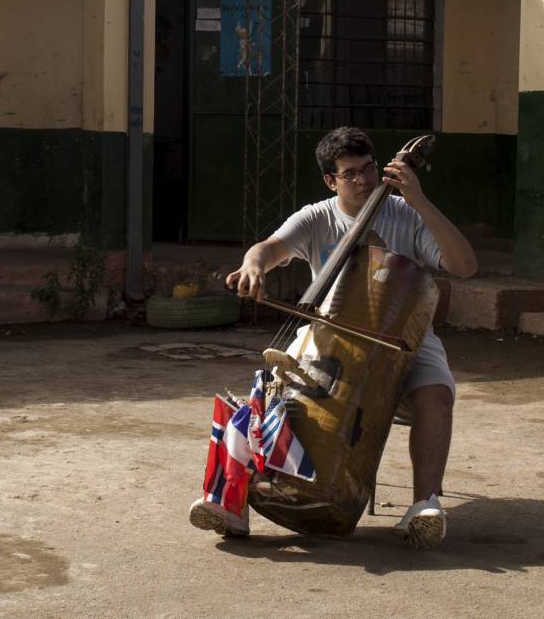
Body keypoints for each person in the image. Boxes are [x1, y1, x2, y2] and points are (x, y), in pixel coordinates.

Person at [189, 126, 478, 548]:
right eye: (349, 174)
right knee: (265, 399)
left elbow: (464, 264)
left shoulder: (405, 212)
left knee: (436, 396)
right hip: (327, 335)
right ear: (330, 180)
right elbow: (268, 248)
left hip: (404, 335)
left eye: (368, 169)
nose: (363, 180)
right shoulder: (316, 217)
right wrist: (254, 265)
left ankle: (425, 504)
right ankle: (231, 503)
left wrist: (418, 197)